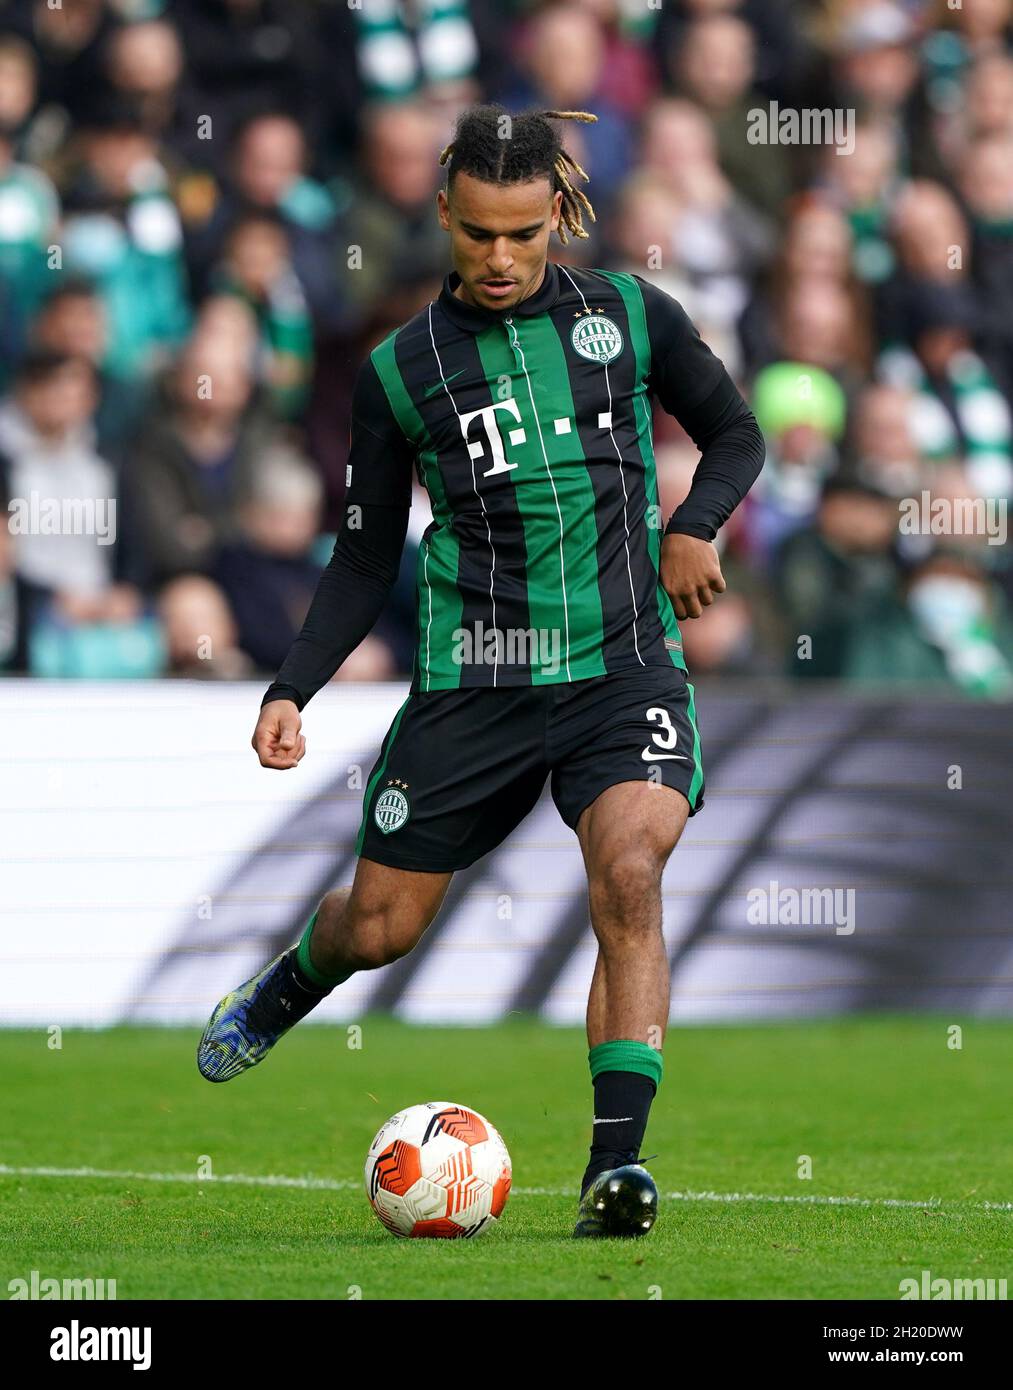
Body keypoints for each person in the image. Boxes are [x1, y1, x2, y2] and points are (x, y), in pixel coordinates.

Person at [196, 105, 765, 1238]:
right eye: (476, 236)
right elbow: (362, 553)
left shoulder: (630, 316)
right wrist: (289, 687)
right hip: (474, 684)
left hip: (622, 669)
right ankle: (286, 985)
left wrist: (695, 523)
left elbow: (735, 433)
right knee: (381, 927)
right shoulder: (399, 372)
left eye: (521, 233)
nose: (500, 260)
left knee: (631, 875)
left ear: (556, 211)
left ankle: (613, 1171)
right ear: (443, 213)